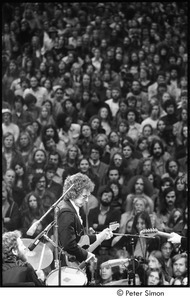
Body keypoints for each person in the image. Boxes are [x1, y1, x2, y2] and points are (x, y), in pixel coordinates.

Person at [57, 173, 113, 266]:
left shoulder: (71, 207)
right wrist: (86, 255)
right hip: (67, 263)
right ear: (73, 194)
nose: (86, 200)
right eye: (84, 196)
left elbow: (79, 239)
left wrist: (100, 236)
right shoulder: (67, 212)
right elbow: (69, 244)